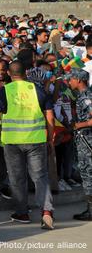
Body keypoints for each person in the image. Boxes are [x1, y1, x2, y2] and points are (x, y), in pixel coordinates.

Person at [0, 61, 55, 229]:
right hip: (36, 139)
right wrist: (49, 139)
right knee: (40, 177)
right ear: (25, 73)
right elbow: (50, 118)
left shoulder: (2, 92)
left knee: (17, 178)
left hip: (12, 142)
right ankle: (46, 212)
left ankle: (22, 213)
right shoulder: (39, 90)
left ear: (9, 74)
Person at [66, 68, 92, 221]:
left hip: (88, 144)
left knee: (88, 176)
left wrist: (78, 125)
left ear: (79, 80)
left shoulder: (86, 96)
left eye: (71, 79)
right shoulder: (83, 95)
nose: (69, 82)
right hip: (85, 142)